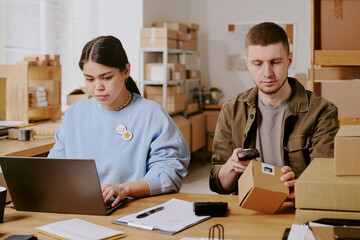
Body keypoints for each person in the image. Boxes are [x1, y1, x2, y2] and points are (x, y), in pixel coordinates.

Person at [48, 35, 190, 207]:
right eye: (90, 79)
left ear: (126, 71)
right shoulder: (74, 114)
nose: (98, 87)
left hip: (132, 209)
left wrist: (125, 189)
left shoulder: (151, 114)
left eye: (106, 78)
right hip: (79, 206)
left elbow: (168, 173)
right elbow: (55, 164)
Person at [209, 22, 339, 200]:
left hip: (297, 210)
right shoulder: (231, 111)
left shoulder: (322, 112)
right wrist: (232, 166)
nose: (267, 73)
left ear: (289, 60)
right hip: (248, 211)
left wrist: (299, 187)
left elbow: (325, 181)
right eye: (258, 63)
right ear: (247, 63)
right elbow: (219, 185)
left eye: (275, 62)